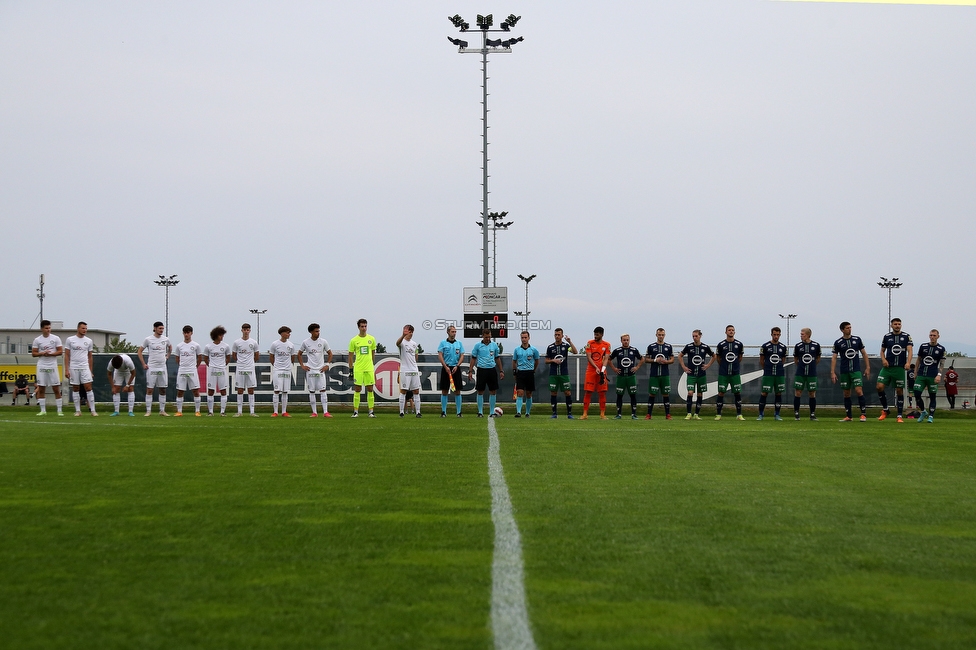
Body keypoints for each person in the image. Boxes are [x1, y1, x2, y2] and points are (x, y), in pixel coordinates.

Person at [830, 321, 870, 422]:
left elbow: (864, 354)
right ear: (842, 330)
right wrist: (832, 372)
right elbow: (834, 358)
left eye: (850, 327)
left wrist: (867, 367)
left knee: (858, 390)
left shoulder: (857, 340)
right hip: (844, 371)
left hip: (856, 370)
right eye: (847, 328)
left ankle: (863, 414)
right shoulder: (838, 342)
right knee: (846, 393)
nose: (849, 329)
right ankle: (849, 416)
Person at [877, 317, 913, 422]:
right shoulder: (887, 337)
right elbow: (882, 351)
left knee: (899, 390)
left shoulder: (906, 336)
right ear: (891, 325)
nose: (897, 326)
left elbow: (910, 351)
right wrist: (883, 360)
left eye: (899, 324)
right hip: (887, 367)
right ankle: (885, 409)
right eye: (895, 324)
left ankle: (899, 416)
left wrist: (908, 362)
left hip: (899, 368)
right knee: (879, 387)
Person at [298, 323, 333, 418]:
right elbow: (299, 354)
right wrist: (302, 365)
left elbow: (330, 354)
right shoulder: (306, 342)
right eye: (316, 331)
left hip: (320, 370)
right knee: (312, 391)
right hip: (310, 370)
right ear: (311, 332)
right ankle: (314, 412)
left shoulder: (323, 341)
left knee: (323, 390)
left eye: (319, 331)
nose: (318, 333)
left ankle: (325, 412)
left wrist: (327, 365)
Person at [138, 321, 172, 416]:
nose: (161, 330)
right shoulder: (148, 339)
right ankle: (148, 411)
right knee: (150, 389)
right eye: (160, 328)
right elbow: (139, 351)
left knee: (162, 389)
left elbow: (170, 348)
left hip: (162, 367)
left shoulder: (165, 339)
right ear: (155, 328)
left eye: (162, 329)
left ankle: (162, 410)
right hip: (152, 367)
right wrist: (144, 364)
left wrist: (167, 356)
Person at [679, 329, 714, 420]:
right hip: (691, 375)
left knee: (700, 394)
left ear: (700, 336)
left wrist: (708, 365)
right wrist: (684, 367)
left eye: (696, 336)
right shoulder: (689, 346)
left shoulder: (705, 347)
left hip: (701, 374)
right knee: (690, 393)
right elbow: (680, 356)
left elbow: (714, 356)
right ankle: (689, 413)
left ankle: (696, 414)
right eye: (693, 336)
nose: (694, 338)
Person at [913, 329, 947, 423]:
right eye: (931, 335)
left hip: (932, 375)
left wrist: (939, 375)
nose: (932, 337)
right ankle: (923, 411)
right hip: (921, 375)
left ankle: (931, 416)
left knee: (932, 396)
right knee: (917, 394)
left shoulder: (941, 349)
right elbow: (918, 359)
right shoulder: (923, 346)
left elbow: (942, 363)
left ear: (938, 337)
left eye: (934, 335)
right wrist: (915, 372)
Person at [64, 321, 98, 417]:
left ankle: (93, 411)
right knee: (75, 388)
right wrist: (67, 369)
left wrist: (90, 371)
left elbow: (90, 356)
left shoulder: (89, 341)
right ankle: (78, 411)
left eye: (86, 329)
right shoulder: (70, 340)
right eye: (83, 328)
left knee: (88, 387)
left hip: (84, 367)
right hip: (74, 366)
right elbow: (66, 355)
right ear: (78, 328)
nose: (85, 330)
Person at [469, 328, 504, 417]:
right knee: (480, 391)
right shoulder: (477, 346)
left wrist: (501, 370)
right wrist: (470, 371)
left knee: (493, 391)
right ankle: (480, 411)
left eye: (489, 337)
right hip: (481, 369)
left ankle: (492, 411)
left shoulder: (494, 346)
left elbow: (497, 358)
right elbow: (473, 358)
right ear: (482, 336)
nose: (488, 339)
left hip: (491, 369)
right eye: (486, 337)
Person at [31, 320, 64, 416]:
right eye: (46, 328)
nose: (48, 330)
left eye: (49, 328)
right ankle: (43, 410)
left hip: (52, 365)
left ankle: (59, 410)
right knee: (41, 388)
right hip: (42, 365)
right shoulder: (37, 340)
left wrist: (51, 354)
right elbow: (33, 353)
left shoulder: (56, 338)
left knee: (56, 388)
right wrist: (41, 353)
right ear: (42, 329)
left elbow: (60, 351)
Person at [714, 325, 745, 421]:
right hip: (723, 373)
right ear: (726, 332)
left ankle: (739, 414)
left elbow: (739, 357)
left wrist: (734, 365)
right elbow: (718, 358)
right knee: (721, 392)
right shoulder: (721, 344)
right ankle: (718, 414)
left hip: (735, 373)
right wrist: (724, 365)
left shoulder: (739, 344)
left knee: (737, 392)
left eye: (732, 330)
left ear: (734, 332)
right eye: (729, 330)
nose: (731, 332)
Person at [609, 333, 643, 419]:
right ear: (621, 341)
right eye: (624, 340)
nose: (626, 342)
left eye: (627, 340)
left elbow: (642, 358)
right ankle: (619, 414)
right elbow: (609, 359)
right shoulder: (617, 351)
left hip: (631, 376)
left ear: (629, 340)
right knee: (619, 395)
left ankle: (634, 414)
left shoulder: (634, 350)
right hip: (621, 377)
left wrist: (637, 367)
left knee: (633, 395)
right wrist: (614, 369)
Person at [757, 327, 788, 421]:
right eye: (774, 334)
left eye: (778, 335)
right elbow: (761, 360)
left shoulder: (783, 347)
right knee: (764, 393)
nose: (776, 336)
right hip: (768, 373)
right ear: (771, 334)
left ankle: (777, 414)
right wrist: (766, 369)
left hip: (779, 373)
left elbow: (783, 360)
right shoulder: (765, 346)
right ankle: (761, 414)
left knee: (778, 393)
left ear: (780, 335)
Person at [581, 327, 612, 420]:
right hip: (591, 370)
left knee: (602, 392)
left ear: (602, 334)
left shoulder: (607, 345)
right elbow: (589, 357)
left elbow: (606, 358)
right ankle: (585, 414)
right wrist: (596, 367)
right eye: (594, 334)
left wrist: (602, 369)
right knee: (588, 391)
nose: (595, 336)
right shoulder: (590, 343)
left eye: (597, 334)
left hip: (601, 371)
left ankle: (602, 414)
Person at [545, 328, 577, 419]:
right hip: (553, 374)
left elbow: (575, 352)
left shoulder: (566, 346)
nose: (557, 336)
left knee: (567, 392)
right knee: (553, 392)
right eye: (555, 335)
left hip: (564, 373)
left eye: (559, 335)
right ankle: (554, 413)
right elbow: (546, 360)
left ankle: (569, 413)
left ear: (562, 336)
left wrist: (570, 342)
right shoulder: (550, 347)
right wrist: (553, 360)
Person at [349, 318, 377, 418]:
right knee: (357, 389)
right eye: (362, 326)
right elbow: (351, 356)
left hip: (369, 368)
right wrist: (351, 369)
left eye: (365, 326)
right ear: (358, 327)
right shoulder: (354, 340)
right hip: (358, 368)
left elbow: (373, 353)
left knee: (370, 389)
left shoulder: (372, 339)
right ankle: (356, 411)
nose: (364, 328)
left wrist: (372, 365)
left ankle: (371, 411)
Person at [644, 328, 674, 420]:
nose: (661, 336)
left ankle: (668, 415)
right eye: (659, 334)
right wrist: (655, 360)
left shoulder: (668, 346)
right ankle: (649, 414)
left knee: (666, 394)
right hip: (654, 374)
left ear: (664, 335)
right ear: (656, 335)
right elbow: (646, 359)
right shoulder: (651, 346)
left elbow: (672, 359)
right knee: (652, 394)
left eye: (662, 335)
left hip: (665, 374)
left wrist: (666, 361)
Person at [231, 323, 260, 417]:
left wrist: (250, 363)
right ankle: (239, 412)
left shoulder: (254, 342)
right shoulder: (236, 342)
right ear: (242, 330)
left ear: (250, 331)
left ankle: (252, 411)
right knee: (240, 389)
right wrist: (241, 362)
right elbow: (234, 355)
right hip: (240, 368)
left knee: (251, 390)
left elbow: (257, 355)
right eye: (244, 330)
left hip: (250, 368)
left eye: (247, 330)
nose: (246, 331)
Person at [792, 327, 821, 421]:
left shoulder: (816, 345)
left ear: (808, 335)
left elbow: (818, 358)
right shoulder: (798, 346)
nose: (801, 336)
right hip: (800, 373)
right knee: (798, 392)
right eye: (800, 334)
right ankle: (796, 413)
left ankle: (812, 414)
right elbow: (796, 359)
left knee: (812, 393)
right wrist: (801, 366)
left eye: (802, 334)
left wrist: (812, 366)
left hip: (812, 373)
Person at [174, 325, 204, 417]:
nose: (187, 334)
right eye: (185, 333)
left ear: (191, 333)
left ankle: (197, 411)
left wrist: (195, 366)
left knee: (195, 390)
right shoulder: (179, 346)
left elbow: (199, 357)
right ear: (183, 333)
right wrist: (182, 366)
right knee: (180, 391)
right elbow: (177, 358)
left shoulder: (196, 345)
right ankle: (179, 411)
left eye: (188, 332)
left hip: (192, 370)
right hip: (182, 370)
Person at [437, 325, 465, 417]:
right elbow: (440, 355)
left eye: (455, 331)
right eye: (452, 331)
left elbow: (462, 355)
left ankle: (459, 412)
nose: (454, 333)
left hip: (455, 368)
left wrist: (457, 366)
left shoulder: (459, 343)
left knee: (457, 390)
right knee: (444, 390)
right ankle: (444, 411)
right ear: (448, 332)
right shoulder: (443, 343)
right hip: (446, 368)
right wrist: (445, 366)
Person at [204, 326, 232, 416]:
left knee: (223, 391)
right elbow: (206, 358)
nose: (222, 337)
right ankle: (210, 412)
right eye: (220, 335)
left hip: (222, 369)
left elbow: (228, 357)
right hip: (212, 370)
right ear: (215, 335)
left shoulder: (225, 346)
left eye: (222, 335)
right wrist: (211, 365)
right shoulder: (208, 346)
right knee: (211, 391)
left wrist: (223, 365)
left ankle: (222, 412)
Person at [512, 330, 541, 417]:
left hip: (530, 373)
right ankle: (519, 412)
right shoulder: (517, 350)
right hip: (520, 373)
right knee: (520, 392)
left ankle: (527, 412)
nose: (524, 339)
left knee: (529, 393)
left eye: (525, 337)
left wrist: (533, 370)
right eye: (522, 338)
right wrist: (514, 372)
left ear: (529, 338)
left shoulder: (533, 350)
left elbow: (537, 361)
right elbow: (514, 361)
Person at [269, 326, 296, 417]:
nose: (289, 335)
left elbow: (292, 357)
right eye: (287, 333)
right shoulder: (275, 344)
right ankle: (275, 412)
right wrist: (276, 365)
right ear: (282, 333)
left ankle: (284, 412)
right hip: (278, 370)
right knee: (277, 390)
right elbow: (271, 356)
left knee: (285, 391)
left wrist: (288, 366)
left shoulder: (291, 345)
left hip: (287, 370)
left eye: (289, 333)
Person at [396, 324, 422, 418]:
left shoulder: (414, 344)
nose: (410, 333)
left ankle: (418, 412)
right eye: (408, 331)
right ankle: (401, 412)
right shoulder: (402, 342)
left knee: (416, 391)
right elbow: (397, 343)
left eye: (411, 331)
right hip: (405, 370)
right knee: (403, 391)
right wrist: (403, 335)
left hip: (414, 370)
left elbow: (416, 356)